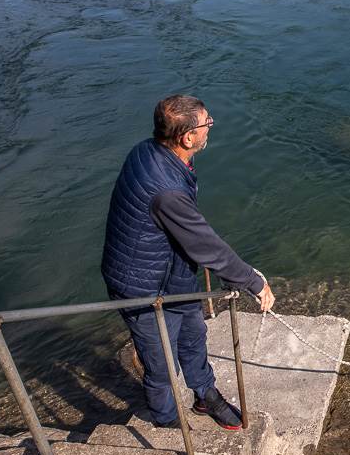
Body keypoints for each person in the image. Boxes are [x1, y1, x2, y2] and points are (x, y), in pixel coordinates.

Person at [101, 95, 275, 430]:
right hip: (142, 287)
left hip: (172, 273)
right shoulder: (165, 189)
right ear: (187, 138)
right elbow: (205, 244)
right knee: (162, 365)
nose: (211, 126)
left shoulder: (149, 151)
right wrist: (254, 281)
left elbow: (190, 234)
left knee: (194, 334)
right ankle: (168, 427)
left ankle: (204, 395)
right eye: (206, 123)